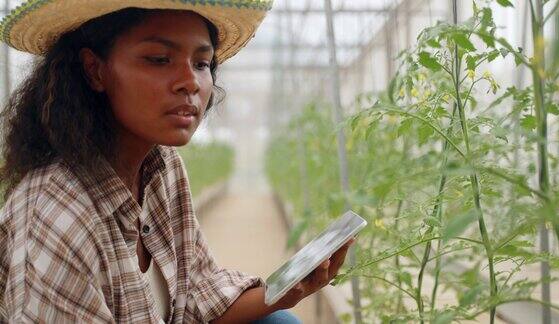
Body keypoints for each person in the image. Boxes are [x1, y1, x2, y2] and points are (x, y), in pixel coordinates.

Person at [0, 1, 354, 323]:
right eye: (159, 59)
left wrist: (288, 290)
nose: (190, 82)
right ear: (95, 70)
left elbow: (197, 295)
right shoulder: (54, 214)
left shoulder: (162, 169)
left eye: (201, 63)